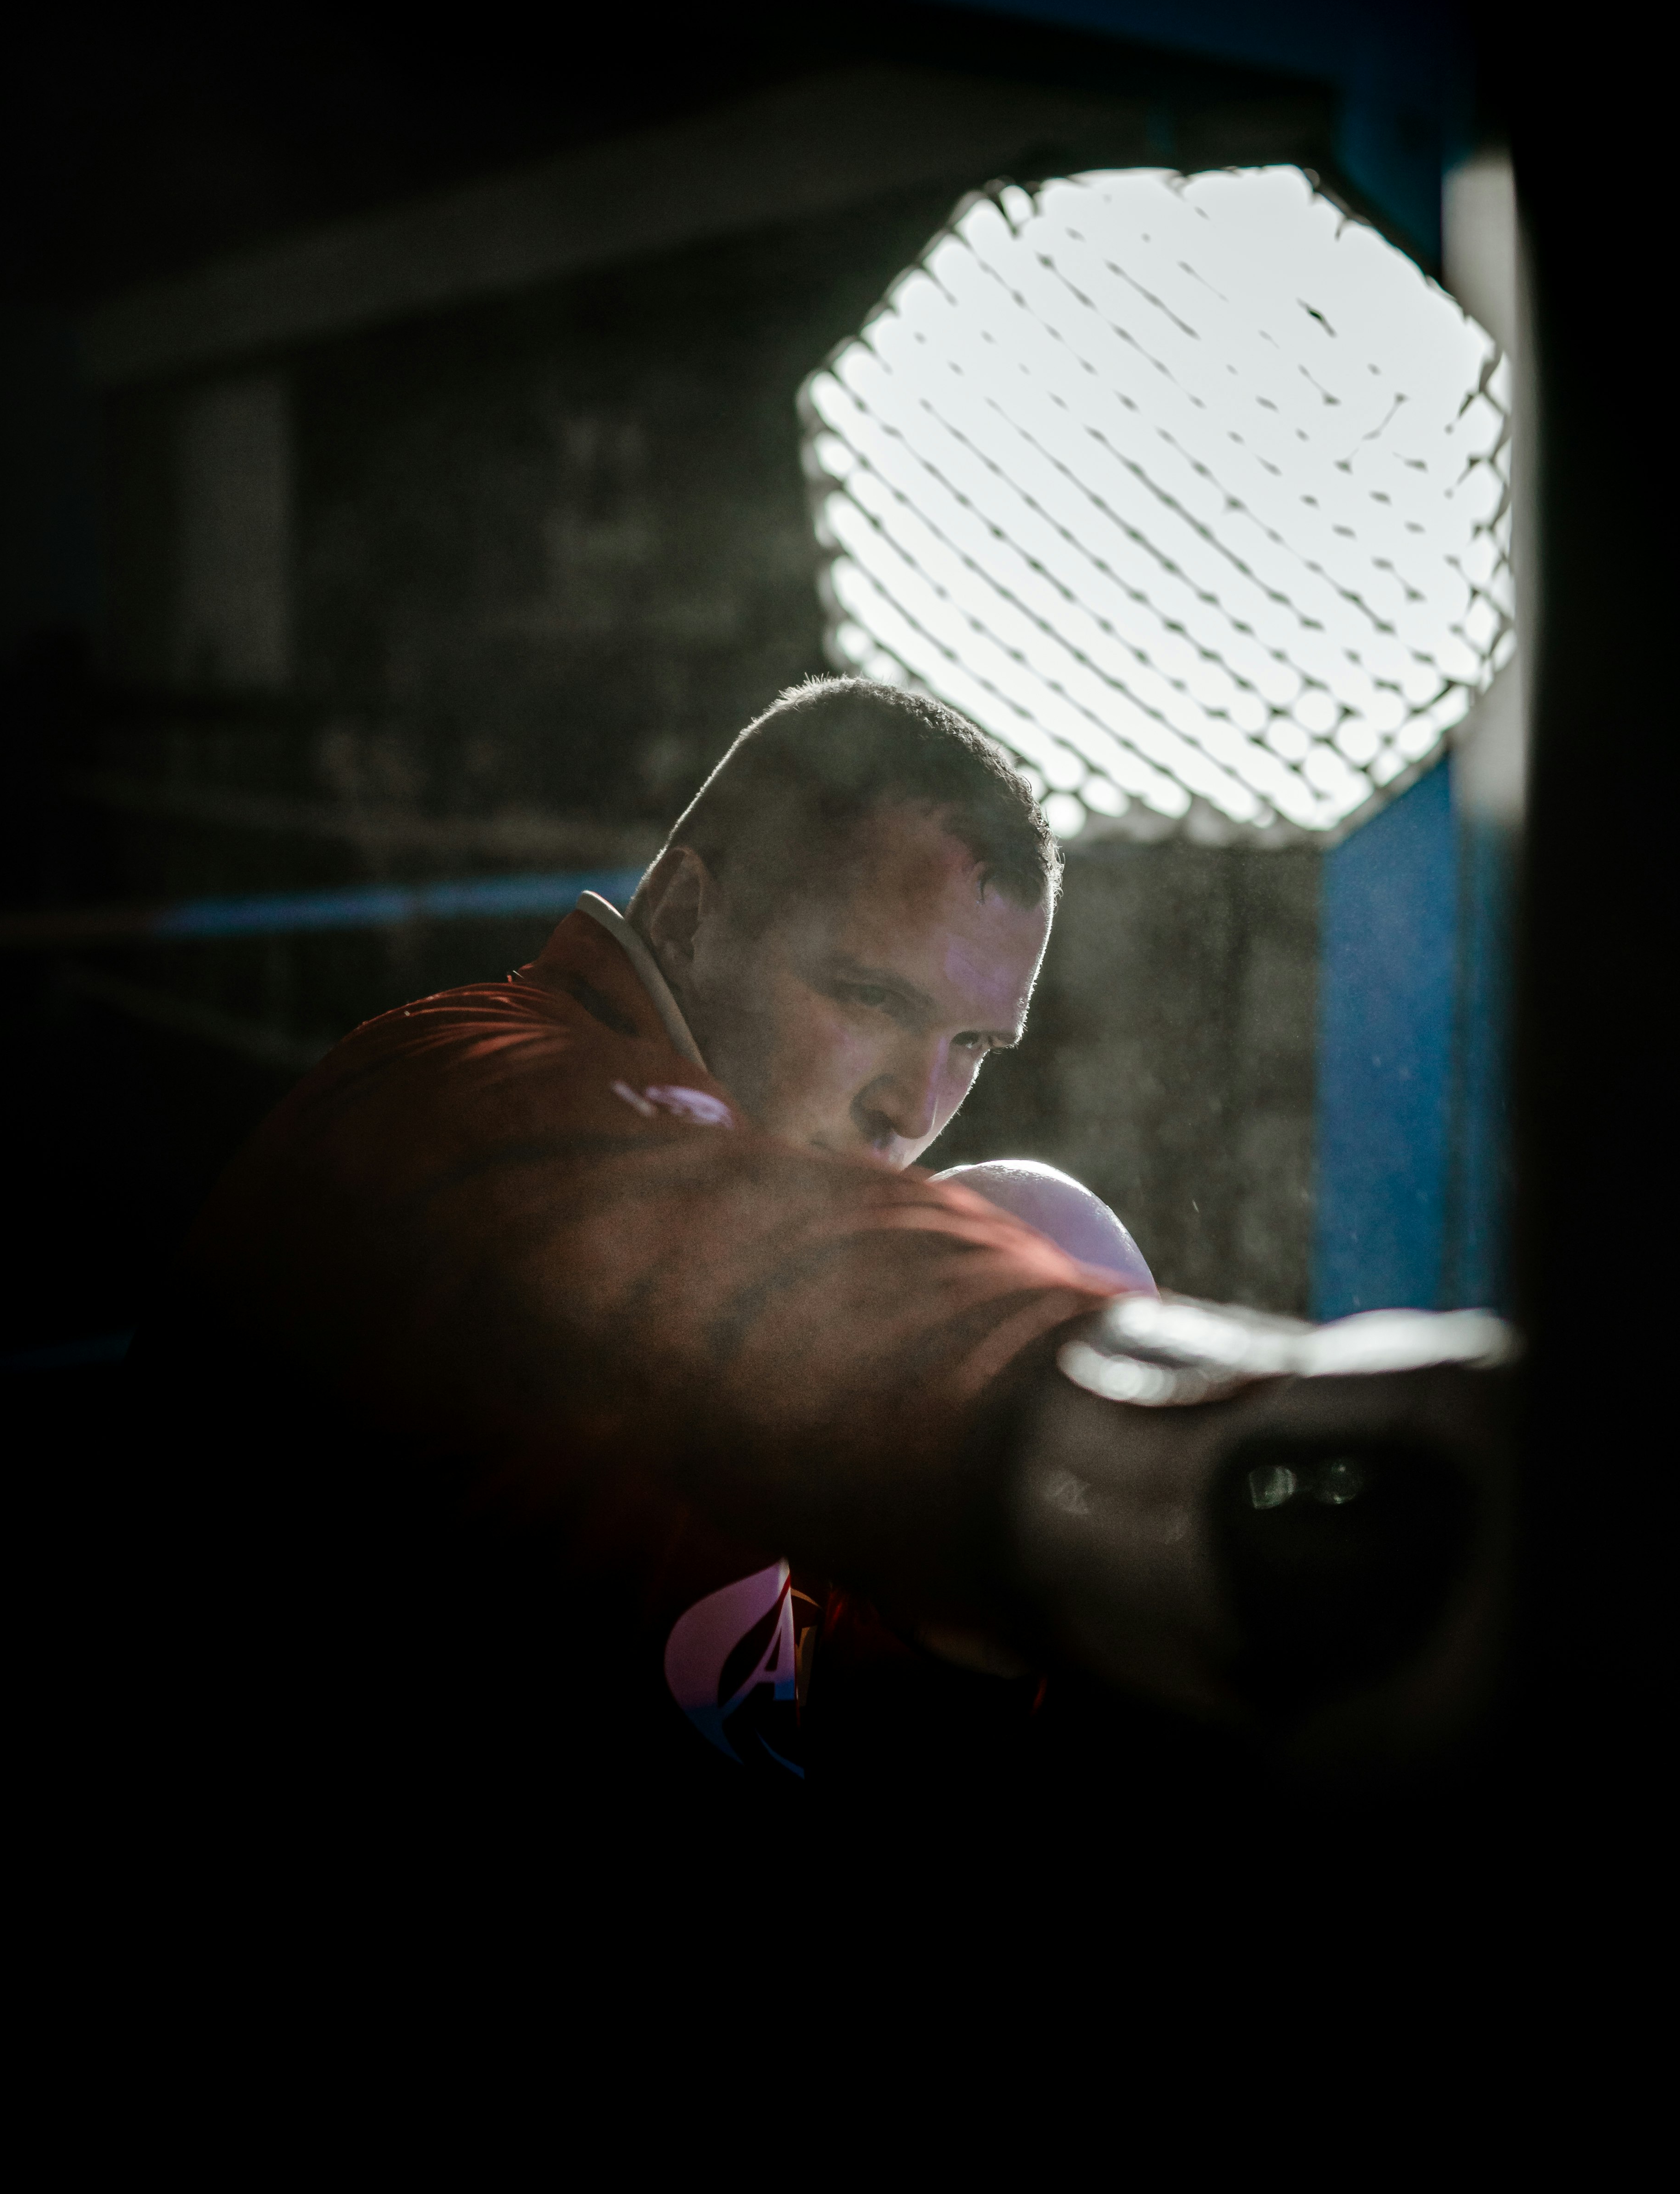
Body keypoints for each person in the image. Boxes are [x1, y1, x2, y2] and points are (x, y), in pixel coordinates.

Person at [132, 679, 1153, 1829]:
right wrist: (1150, 1403)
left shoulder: (750, 1334)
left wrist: (971, 1638)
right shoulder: (477, 1085)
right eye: (868, 995)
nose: (914, 1105)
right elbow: (694, 1210)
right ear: (681, 916)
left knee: (1044, 1227)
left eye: (971, 1042)